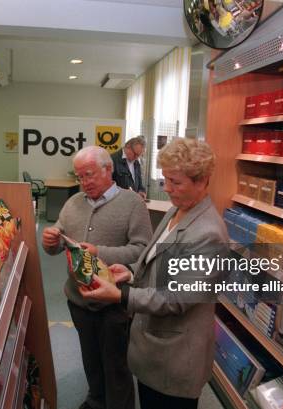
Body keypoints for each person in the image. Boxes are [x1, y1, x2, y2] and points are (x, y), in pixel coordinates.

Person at [80, 138, 229, 409]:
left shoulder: (208, 235)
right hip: (155, 349)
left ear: (202, 180)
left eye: (176, 182)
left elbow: (175, 299)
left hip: (176, 357)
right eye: (166, 180)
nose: (167, 189)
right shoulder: (178, 210)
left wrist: (121, 295)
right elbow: (154, 259)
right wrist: (130, 271)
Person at [42, 146, 152, 409]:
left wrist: (100, 252)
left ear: (108, 169)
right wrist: (50, 241)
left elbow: (142, 250)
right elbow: (59, 242)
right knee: (90, 360)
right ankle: (96, 401)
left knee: (117, 366)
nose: (84, 182)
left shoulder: (133, 204)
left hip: (114, 303)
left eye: (89, 175)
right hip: (78, 300)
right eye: (80, 177)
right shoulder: (73, 203)